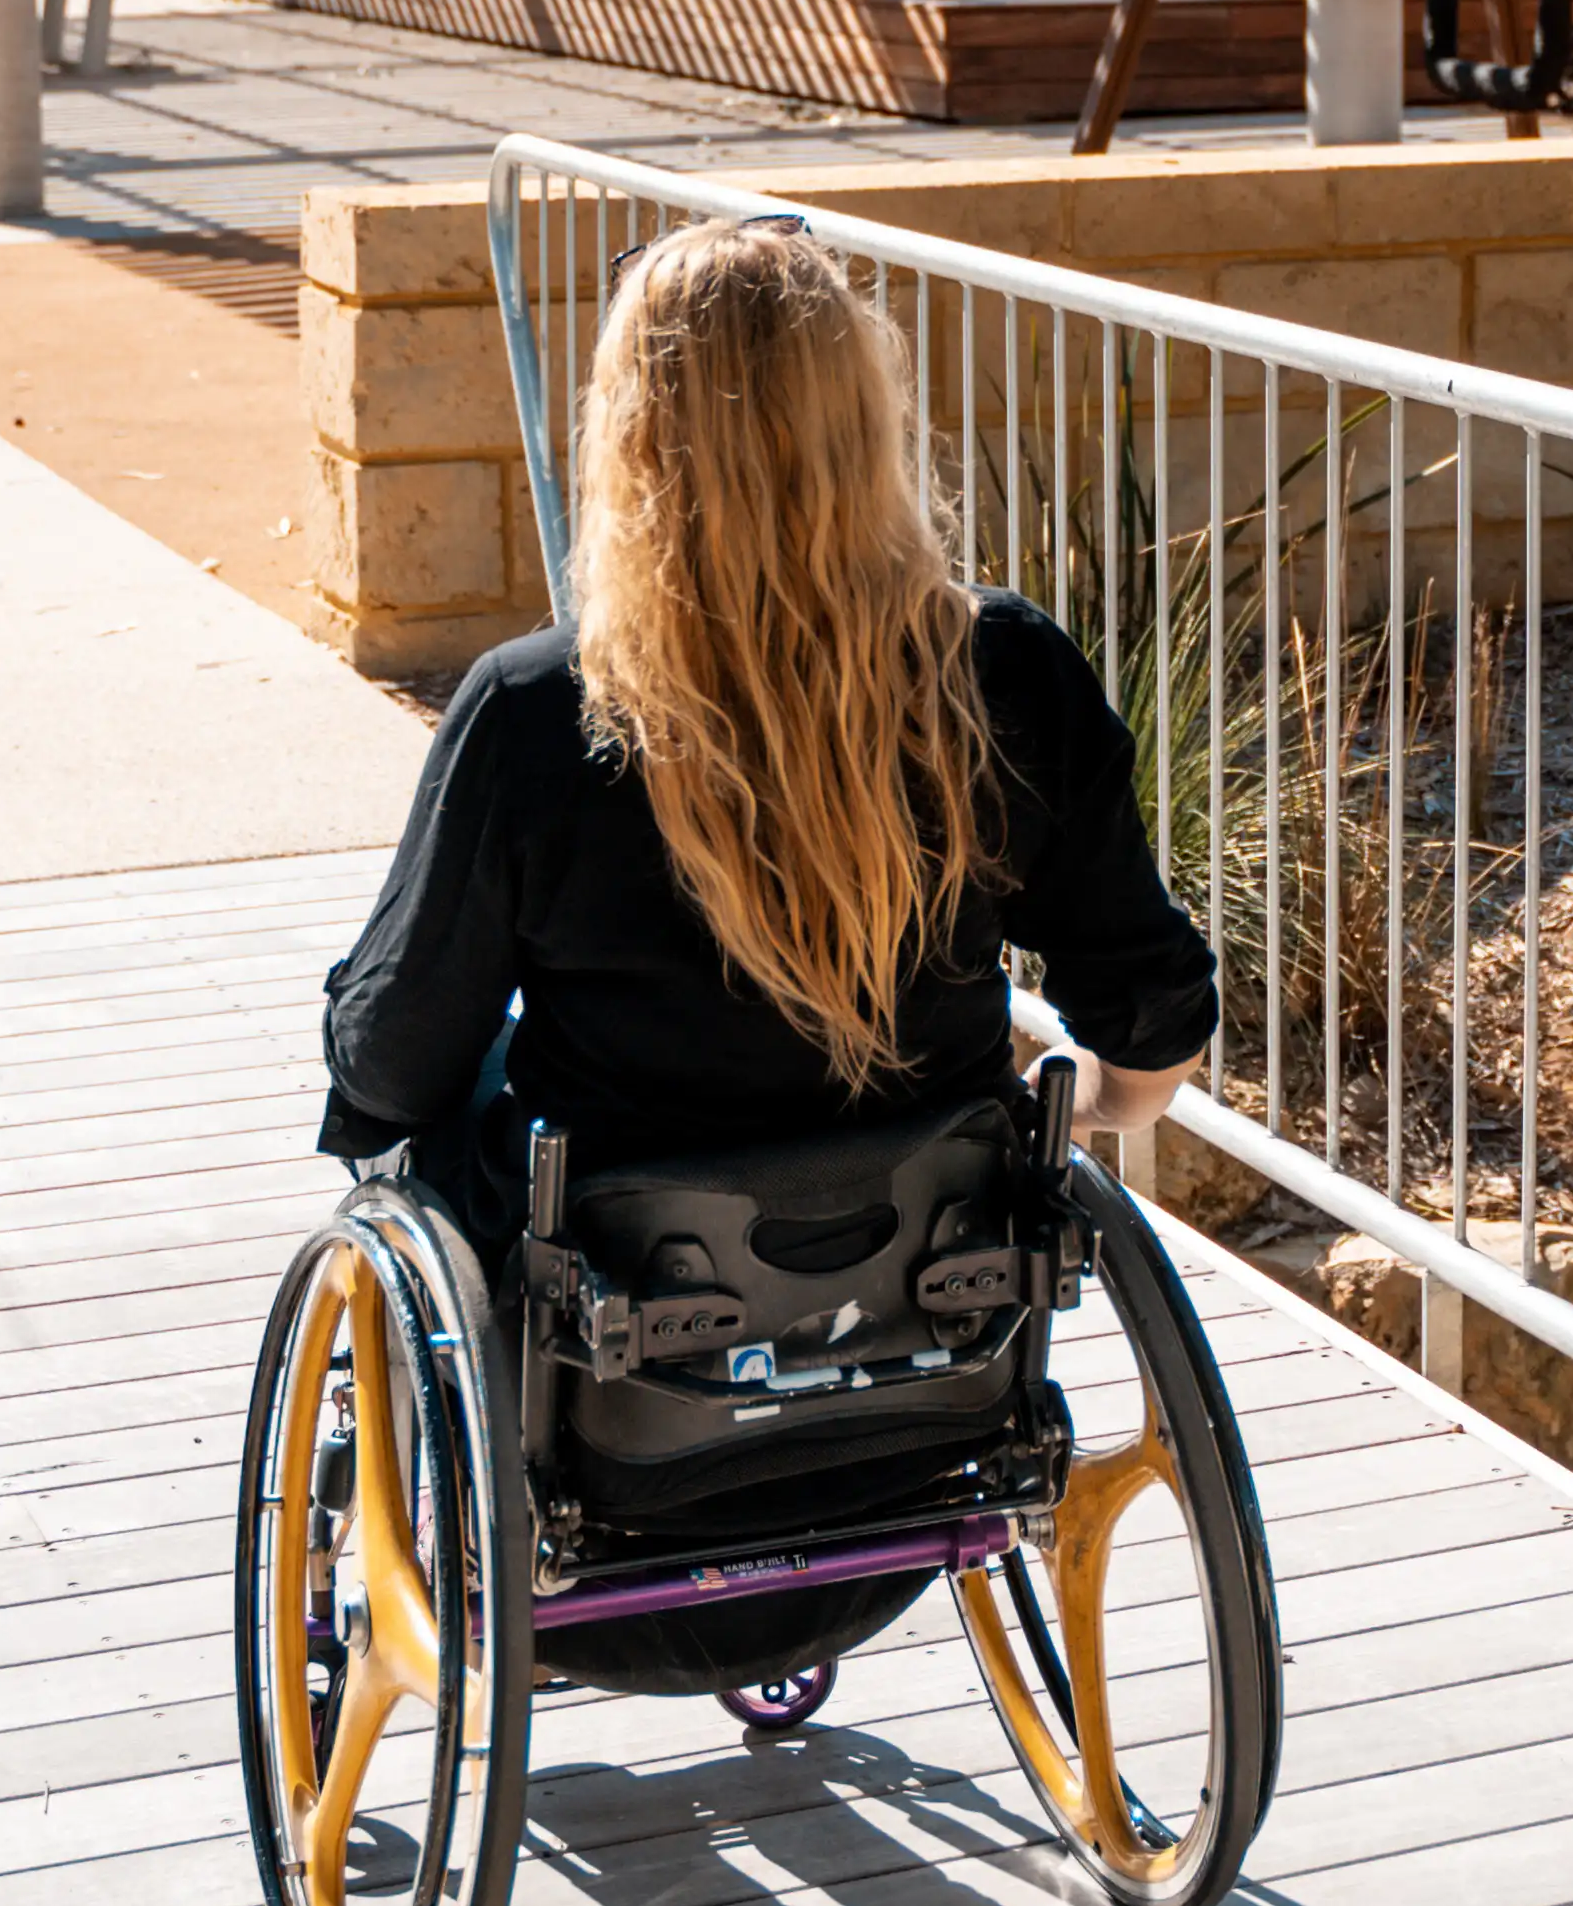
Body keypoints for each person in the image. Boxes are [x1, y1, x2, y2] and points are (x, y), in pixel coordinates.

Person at [320, 216, 1213, 1231]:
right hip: (934, 1242)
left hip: (634, 1280)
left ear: (632, 441)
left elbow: (393, 1062)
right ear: (865, 415)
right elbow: (1151, 1002)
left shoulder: (534, 711)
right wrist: (1093, 1103)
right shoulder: (1003, 670)